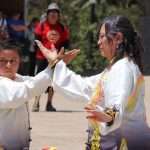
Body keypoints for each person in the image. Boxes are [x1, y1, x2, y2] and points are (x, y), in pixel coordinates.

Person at [36, 15, 150, 150]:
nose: (98, 42)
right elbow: (84, 87)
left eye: (102, 37)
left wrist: (109, 117)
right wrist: (56, 64)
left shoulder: (123, 69)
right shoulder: (116, 69)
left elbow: (116, 104)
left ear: (118, 38)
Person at [32, 2, 70, 112]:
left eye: (55, 13)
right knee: (39, 80)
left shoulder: (62, 28)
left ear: (58, 15)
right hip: (42, 58)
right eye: (51, 12)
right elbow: (36, 41)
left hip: (55, 58)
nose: (53, 15)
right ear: (47, 14)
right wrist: (40, 54)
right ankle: (36, 102)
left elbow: (65, 43)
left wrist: (61, 55)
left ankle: (49, 103)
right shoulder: (42, 25)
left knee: (52, 82)